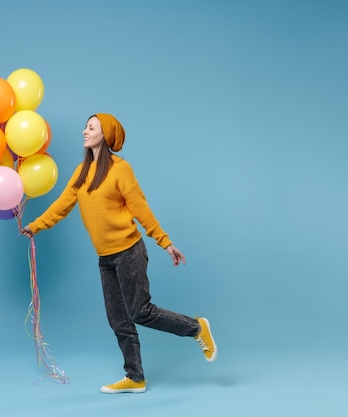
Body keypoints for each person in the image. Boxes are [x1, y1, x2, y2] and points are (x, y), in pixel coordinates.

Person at [21, 114, 216, 394]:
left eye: (91, 127)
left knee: (140, 311)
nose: (84, 131)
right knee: (118, 319)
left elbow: (140, 208)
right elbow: (61, 206)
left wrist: (165, 242)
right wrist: (35, 227)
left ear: (106, 135)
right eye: (86, 127)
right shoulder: (80, 172)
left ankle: (197, 328)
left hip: (129, 253)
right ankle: (135, 377)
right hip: (106, 259)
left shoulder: (120, 169)